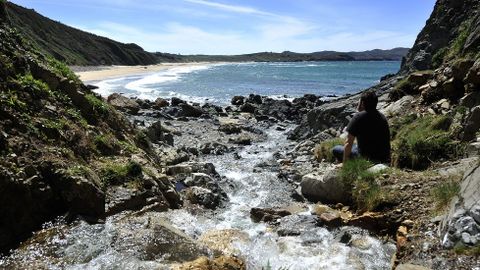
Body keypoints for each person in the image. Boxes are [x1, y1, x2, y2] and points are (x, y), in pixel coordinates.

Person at [332, 90, 390, 164]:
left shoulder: (358, 117)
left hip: (366, 158)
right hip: (383, 157)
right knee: (355, 145)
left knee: (336, 149)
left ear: (362, 103)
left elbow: (348, 143)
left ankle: (346, 162)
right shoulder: (382, 116)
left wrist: (344, 164)